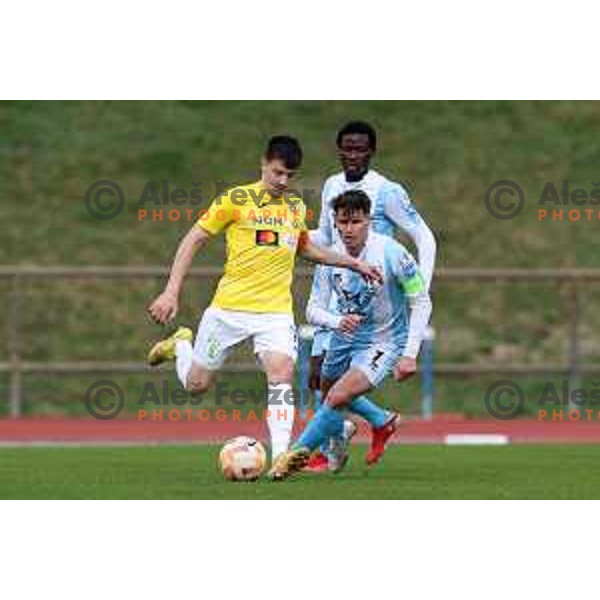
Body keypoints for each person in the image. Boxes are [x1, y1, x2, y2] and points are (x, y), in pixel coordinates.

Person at [146, 136, 382, 465]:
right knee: (195, 385)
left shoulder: (295, 207)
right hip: (228, 309)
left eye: (290, 176)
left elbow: (305, 248)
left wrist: (353, 262)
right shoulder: (236, 199)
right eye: (277, 173)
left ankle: (282, 456)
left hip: (274, 312)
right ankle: (180, 346)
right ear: (263, 164)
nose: (283, 181)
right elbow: (193, 239)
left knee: (281, 372)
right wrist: (171, 291)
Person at [268, 189, 432, 480]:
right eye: (342, 222)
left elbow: (421, 300)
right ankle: (377, 421)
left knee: (336, 397)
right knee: (327, 392)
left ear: (369, 220)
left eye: (355, 222)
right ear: (335, 222)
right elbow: (312, 309)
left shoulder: (393, 252)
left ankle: (293, 455)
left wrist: (409, 353)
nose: (348, 229)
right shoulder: (330, 259)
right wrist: (337, 321)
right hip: (343, 337)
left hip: (384, 340)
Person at [305, 120, 437, 472]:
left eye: (360, 148)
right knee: (318, 378)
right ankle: (373, 424)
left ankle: (325, 451)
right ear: (339, 150)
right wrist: (285, 235)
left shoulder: (387, 191)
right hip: (337, 295)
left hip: (372, 304)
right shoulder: (332, 185)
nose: (353, 155)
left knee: (338, 387)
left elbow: (424, 237)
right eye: (346, 148)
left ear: (371, 151)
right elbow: (323, 234)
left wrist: (418, 288)